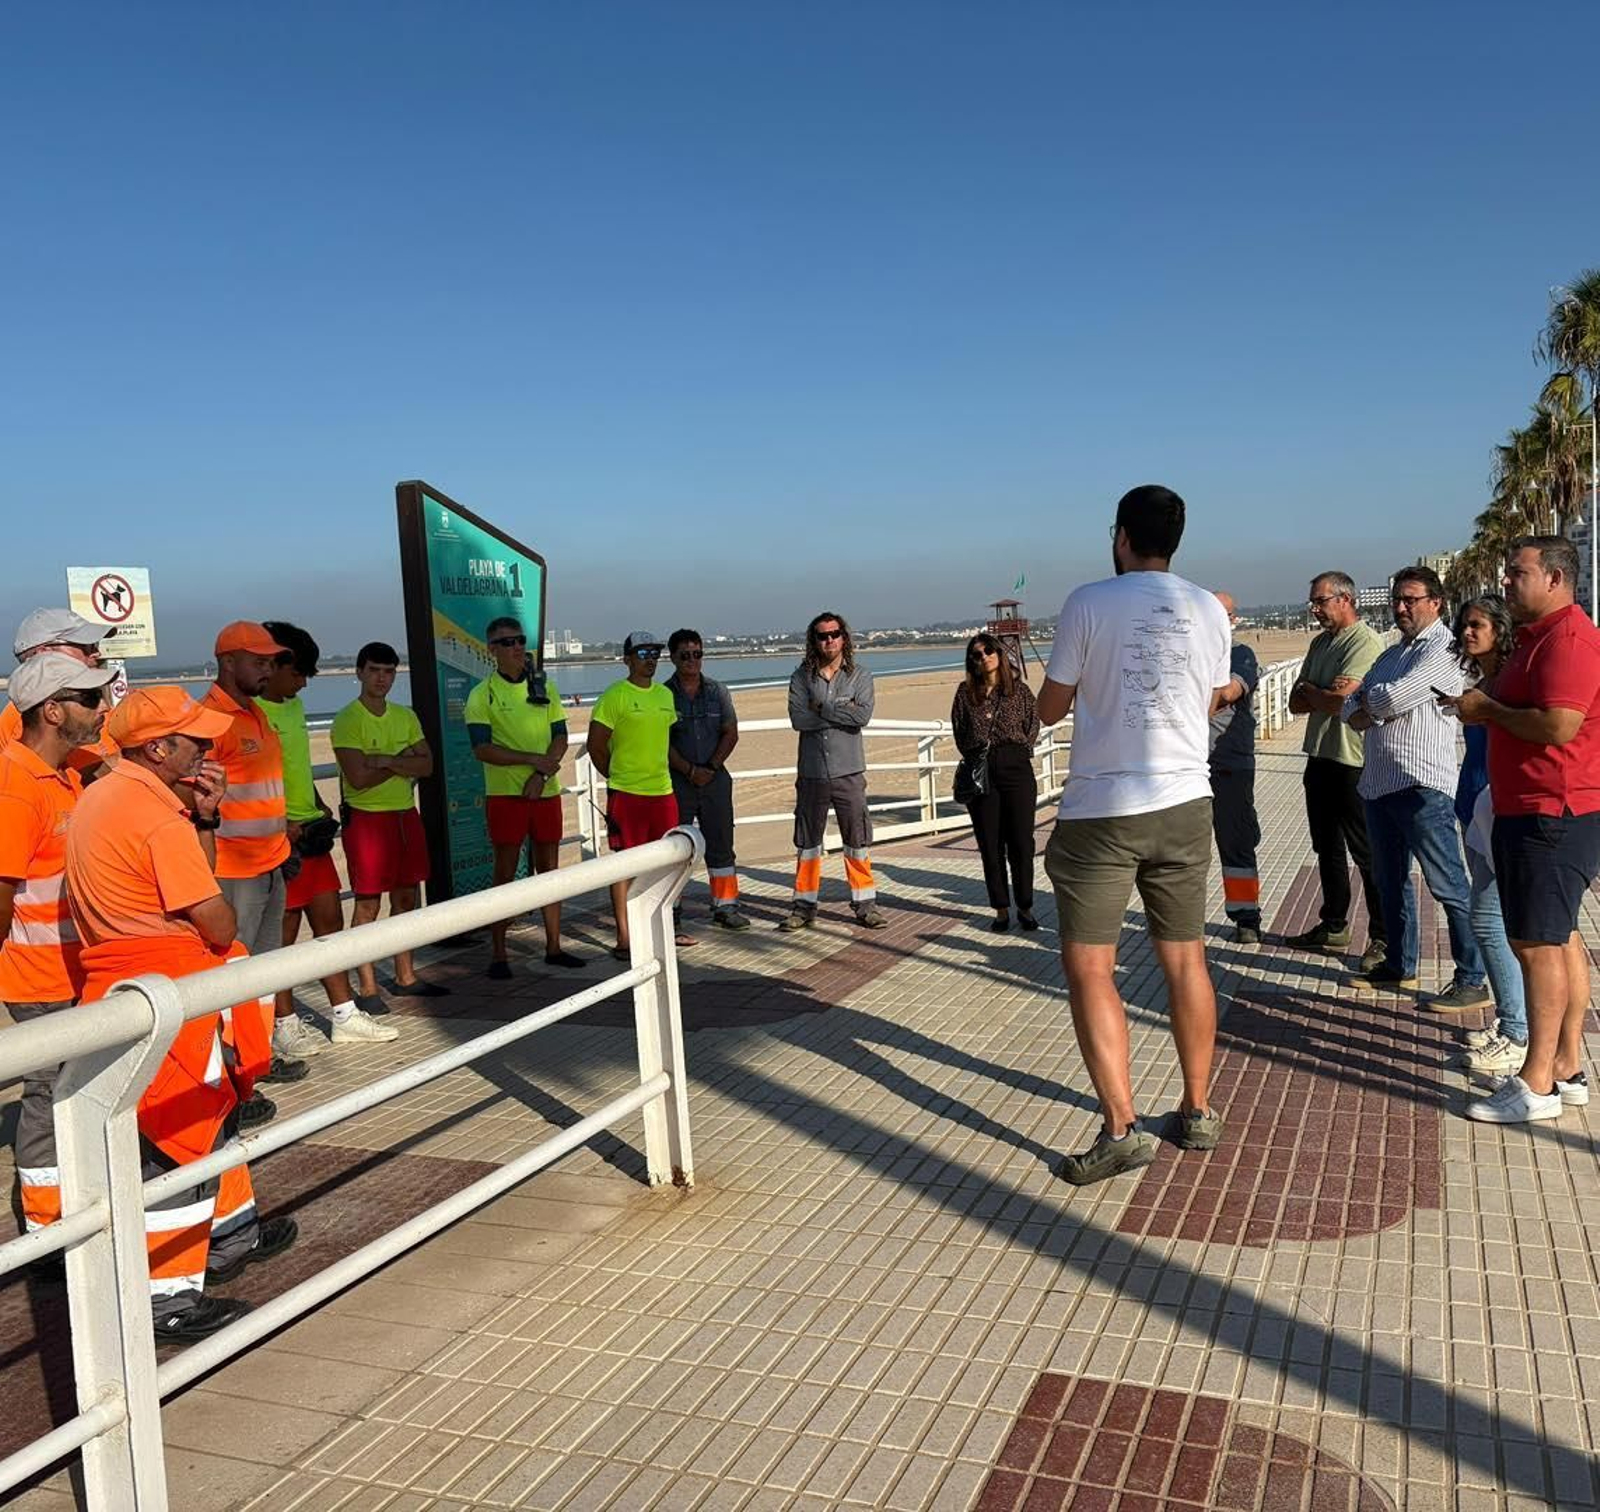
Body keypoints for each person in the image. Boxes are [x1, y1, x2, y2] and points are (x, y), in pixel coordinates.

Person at [66, 687, 298, 1341]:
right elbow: (218, 923)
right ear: (159, 748)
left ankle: (229, 1239)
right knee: (180, 1142)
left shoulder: (103, 798)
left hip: (119, 989)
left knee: (200, 1129)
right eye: (193, 739)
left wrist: (200, 814)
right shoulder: (155, 817)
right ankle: (168, 1297)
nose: (206, 747)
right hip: (173, 999)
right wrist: (197, 824)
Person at [1037, 484, 1232, 1185]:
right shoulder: (1208, 608)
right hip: (1185, 799)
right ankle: (1199, 1109)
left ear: (1121, 536)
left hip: (1102, 808)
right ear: (1175, 539)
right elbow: (1209, 697)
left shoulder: (1088, 601)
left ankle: (1121, 1126)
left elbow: (1051, 709)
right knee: (1186, 959)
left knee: (1092, 967)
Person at [1446, 537, 1600, 1124]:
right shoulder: (1538, 637)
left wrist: (1487, 711)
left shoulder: (1569, 640)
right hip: (1534, 809)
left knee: (1536, 945)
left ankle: (1536, 1082)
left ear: (1555, 578)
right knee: (1556, 939)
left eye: (1518, 573)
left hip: (1552, 812)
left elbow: (1560, 725)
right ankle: (1565, 1065)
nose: (1507, 582)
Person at [0, 654, 116, 1238]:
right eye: (91, 700)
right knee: (48, 1096)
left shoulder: (66, 775)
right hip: (40, 980)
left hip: (80, 973)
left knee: (78, 1093)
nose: (104, 710)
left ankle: (85, 1206)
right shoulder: (16, 788)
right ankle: (47, 1230)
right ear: (52, 710)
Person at [1342, 565, 1487, 1006]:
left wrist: (1373, 702)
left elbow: (1388, 698)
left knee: (1447, 884)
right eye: (1397, 600)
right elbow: (1350, 709)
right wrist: (1370, 702)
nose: (1401, 607)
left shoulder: (1445, 648)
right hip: (1379, 784)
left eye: (1411, 599)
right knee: (1390, 882)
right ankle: (1399, 965)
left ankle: (1472, 978)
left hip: (1422, 784)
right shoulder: (1391, 653)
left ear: (1435, 603)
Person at [257, 622, 395, 1047]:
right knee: (283, 933)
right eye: (296, 674)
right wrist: (280, 824)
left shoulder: (293, 709)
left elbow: (296, 766)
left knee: (330, 922)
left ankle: (344, 1013)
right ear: (273, 665)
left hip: (309, 828)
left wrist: (317, 804)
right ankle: (284, 1023)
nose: (301, 685)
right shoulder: (253, 712)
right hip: (277, 839)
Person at [200, 621, 308, 1097]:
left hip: (270, 864)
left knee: (263, 974)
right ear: (228, 663)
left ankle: (256, 1059)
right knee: (229, 979)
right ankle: (232, 1079)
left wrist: (284, 839)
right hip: (232, 872)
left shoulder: (257, 714)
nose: (268, 670)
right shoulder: (208, 721)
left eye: (270, 662)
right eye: (259, 662)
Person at [465, 616, 584, 977]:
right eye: (507, 642)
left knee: (550, 870)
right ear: (491, 650)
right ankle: (499, 953)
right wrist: (531, 760)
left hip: (544, 792)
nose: (517, 647)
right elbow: (482, 749)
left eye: (520, 641)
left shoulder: (543, 688)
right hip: (505, 796)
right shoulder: (481, 694)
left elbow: (560, 737)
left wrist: (542, 771)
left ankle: (554, 945)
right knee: (505, 871)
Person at [331, 641, 445, 1004]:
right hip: (367, 820)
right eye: (375, 670)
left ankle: (405, 975)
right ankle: (367, 985)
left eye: (389, 671)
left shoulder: (405, 716)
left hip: (404, 814)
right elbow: (358, 778)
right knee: (367, 904)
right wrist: (401, 761)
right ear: (360, 672)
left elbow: (426, 766)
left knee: (407, 897)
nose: (382, 678)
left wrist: (384, 760)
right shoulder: (348, 720)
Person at [1285, 573, 1387, 968]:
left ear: (1345, 599)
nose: (1314, 608)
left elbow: (1339, 703)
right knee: (1325, 846)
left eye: (1320, 600)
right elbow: (1297, 702)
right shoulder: (1320, 643)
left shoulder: (1365, 642)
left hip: (1353, 761)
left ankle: (1381, 935)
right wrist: (1320, 692)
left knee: (1367, 852)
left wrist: (1318, 692)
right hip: (1320, 755)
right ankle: (1333, 923)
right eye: (1313, 601)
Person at [1445, 596, 1529, 1074]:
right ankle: (1510, 1023)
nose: (1467, 632)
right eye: (1464, 626)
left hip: (1500, 812)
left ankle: (1517, 1030)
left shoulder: (1508, 685)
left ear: (1501, 628)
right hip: (1475, 808)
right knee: (1492, 920)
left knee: (1489, 920)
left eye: (1477, 625)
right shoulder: (1480, 683)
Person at [782, 612, 886, 931]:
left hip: (849, 772)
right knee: (808, 842)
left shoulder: (861, 676)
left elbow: (863, 716)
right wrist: (843, 711)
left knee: (856, 839)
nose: (829, 640)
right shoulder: (801, 678)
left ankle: (865, 904)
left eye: (834, 634)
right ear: (813, 641)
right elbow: (799, 720)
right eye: (822, 635)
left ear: (844, 638)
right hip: (812, 772)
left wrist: (823, 709)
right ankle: (804, 905)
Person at [585, 632, 682, 958]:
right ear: (627, 658)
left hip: (663, 792)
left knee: (665, 863)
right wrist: (616, 777)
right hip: (627, 794)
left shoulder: (665, 696)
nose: (650, 658)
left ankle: (660, 927)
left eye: (655, 652)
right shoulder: (615, 696)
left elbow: (664, 743)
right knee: (625, 864)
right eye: (642, 652)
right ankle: (625, 937)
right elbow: (596, 745)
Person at [950, 633, 1040, 932]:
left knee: (1021, 842)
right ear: (971, 661)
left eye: (989, 650)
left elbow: (1032, 725)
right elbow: (960, 732)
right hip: (982, 771)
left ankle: (1025, 905)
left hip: (1016, 768)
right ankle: (1001, 908)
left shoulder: (1019, 691)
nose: (984, 657)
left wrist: (1017, 750)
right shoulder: (965, 693)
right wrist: (979, 754)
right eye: (976, 654)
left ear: (1000, 654)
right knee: (990, 843)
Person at [666, 628, 750, 935]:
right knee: (675, 849)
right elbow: (662, 742)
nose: (692, 660)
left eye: (697, 654)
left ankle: (726, 906)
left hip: (715, 780)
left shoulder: (718, 691)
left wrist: (712, 767)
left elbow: (731, 731)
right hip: (677, 781)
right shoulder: (663, 695)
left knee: (721, 844)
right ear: (673, 658)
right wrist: (689, 770)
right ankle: (671, 910)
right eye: (685, 655)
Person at [0, 608, 120, 779]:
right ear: (44, 655)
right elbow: (86, 776)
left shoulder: (82, 702)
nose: (96, 653)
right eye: (86, 646)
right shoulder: (27, 717)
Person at [1207, 592, 1262, 944]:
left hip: (1231, 764)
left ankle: (1246, 917)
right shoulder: (1190, 656)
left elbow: (1228, 693)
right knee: (1183, 847)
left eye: (1222, 614)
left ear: (1232, 619)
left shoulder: (1240, 654)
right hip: (1189, 767)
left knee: (1236, 842)